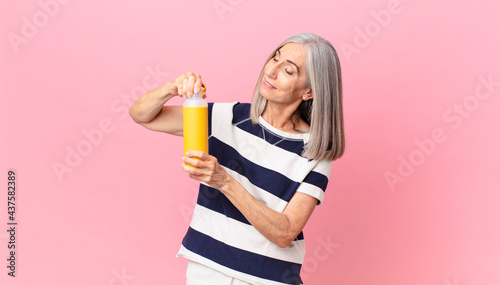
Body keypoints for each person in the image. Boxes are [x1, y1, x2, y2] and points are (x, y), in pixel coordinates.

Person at [129, 32, 345, 285]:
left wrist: (224, 181)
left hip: (266, 278)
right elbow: (142, 115)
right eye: (274, 59)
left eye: (288, 70)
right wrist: (171, 89)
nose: (271, 72)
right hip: (206, 268)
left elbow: (285, 232)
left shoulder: (315, 151)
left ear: (309, 91)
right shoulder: (227, 117)